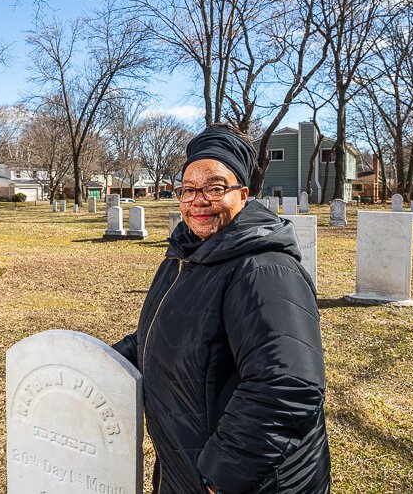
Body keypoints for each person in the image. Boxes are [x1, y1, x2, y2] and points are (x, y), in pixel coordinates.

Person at [113, 124, 330, 493]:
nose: (199, 200)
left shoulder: (264, 269)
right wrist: (97, 362)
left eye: (215, 188)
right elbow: (161, 333)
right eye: (188, 189)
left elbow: (287, 384)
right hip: (185, 468)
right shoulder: (185, 255)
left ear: (243, 194)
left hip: (249, 481)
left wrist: (220, 475)